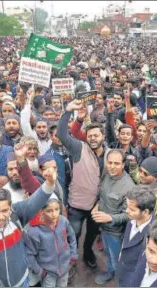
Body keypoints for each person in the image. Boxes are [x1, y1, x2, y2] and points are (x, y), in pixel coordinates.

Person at [0, 165, 57, 287]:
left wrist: (50, 182)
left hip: (23, 281)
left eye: (5, 211)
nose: (1, 217)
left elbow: (37, 200)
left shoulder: (16, 214)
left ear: (10, 208)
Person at [57, 99, 107, 269]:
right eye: (90, 135)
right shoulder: (79, 148)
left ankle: (87, 252)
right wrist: (68, 111)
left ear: (103, 137)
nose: (92, 138)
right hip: (77, 204)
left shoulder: (111, 155)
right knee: (74, 233)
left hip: (98, 206)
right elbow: (62, 135)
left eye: (96, 135)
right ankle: (71, 257)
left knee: (92, 233)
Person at [92, 149, 135, 285]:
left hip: (116, 233)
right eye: (109, 162)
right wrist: (96, 206)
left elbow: (129, 215)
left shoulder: (129, 186)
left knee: (117, 261)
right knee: (107, 253)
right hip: (103, 228)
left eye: (116, 163)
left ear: (123, 165)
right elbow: (103, 196)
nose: (112, 166)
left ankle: (120, 282)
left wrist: (110, 218)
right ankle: (109, 273)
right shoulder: (106, 174)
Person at [24, 196, 78, 287]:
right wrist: (40, 271)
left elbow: (72, 237)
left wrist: (73, 255)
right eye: (49, 211)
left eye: (57, 209)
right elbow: (29, 254)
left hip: (65, 268)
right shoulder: (34, 232)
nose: (54, 214)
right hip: (48, 274)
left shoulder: (63, 221)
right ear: (42, 211)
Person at [116, 186, 156, 287]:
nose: (127, 211)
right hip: (123, 272)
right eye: (127, 207)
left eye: (132, 209)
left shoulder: (153, 235)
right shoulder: (132, 221)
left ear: (145, 211)